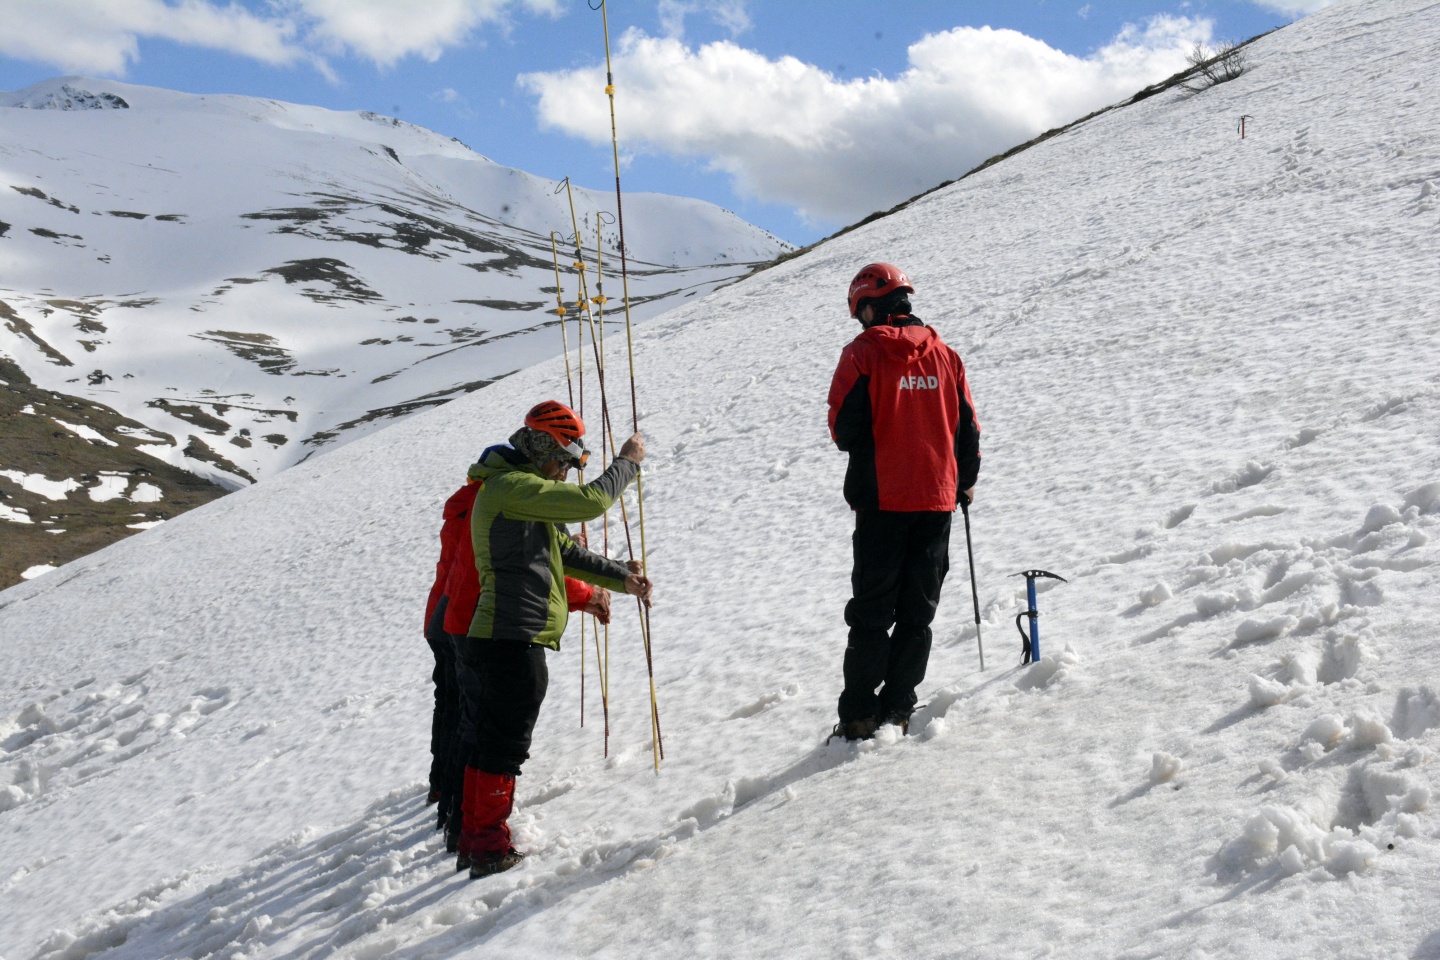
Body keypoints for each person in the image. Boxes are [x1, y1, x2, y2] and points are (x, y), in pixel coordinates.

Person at [454, 400, 652, 878]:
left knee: (492, 742)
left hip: (503, 636)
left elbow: (563, 551)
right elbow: (592, 503)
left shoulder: (522, 492)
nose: (564, 474)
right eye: (562, 462)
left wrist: (620, 578)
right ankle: (486, 848)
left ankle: (480, 842)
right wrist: (627, 463)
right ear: (543, 449)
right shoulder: (513, 487)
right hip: (510, 636)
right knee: (503, 746)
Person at [826, 263, 981, 741]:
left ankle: (857, 716)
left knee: (872, 613)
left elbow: (843, 431)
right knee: (917, 613)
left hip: (881, 503)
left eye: (860, 313)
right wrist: (965, 481)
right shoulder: (947, 357)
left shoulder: (862, 355)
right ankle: (897, 709)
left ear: (870, 307)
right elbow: (968, 429)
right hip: (937, 502)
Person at [428, 476, 611, 852]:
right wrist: (587, 591)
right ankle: (470, 831)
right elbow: (525, 568)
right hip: (476, 621)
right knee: (484, 730)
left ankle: (448, 804)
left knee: (458, 716)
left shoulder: (471, 501)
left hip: (447, 615)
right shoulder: (511, 499)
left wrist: (562, 553)